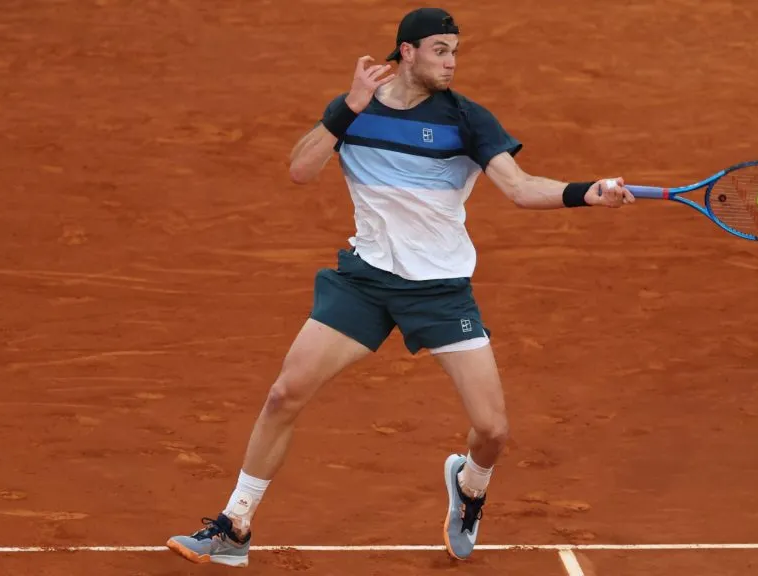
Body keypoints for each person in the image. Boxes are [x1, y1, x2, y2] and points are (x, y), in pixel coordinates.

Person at [165, 6, 635, 567]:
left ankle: (470, 486)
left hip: (439, 290)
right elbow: (299, 169)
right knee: (284, 393)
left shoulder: (467, 119)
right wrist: (348, 107)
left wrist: (590, 191)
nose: (451, 62)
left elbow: (520, 187)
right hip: (365, 280)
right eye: (440, 49)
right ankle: (235, 525)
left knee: (492, 429)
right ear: (406, 51)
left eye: (455, 51)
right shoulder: (353, 112)